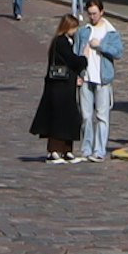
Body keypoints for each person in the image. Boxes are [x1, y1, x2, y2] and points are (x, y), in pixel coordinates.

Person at [32, 16, 86, 163]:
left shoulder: (64, 41)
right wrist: (83, 60)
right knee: (59, 117)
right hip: (60, 85)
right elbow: (71, 60)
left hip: (64, 85)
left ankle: (66, 149)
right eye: (74, 28)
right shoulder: (61, 41)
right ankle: (55, 149)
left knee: (68, 117)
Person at [78, 4, 121, 158]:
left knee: (102, 116)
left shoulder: (110, 32)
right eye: (89, 14)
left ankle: (99, 150)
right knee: (86, 116)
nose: (92, 17)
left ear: (101, 12)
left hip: (103, 79)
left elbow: (118, 52)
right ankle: (86, 148)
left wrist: (101, 46)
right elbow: (76, 52)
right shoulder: (83, 31)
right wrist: (78, 72)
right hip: (86, 77)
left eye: (95, 13)